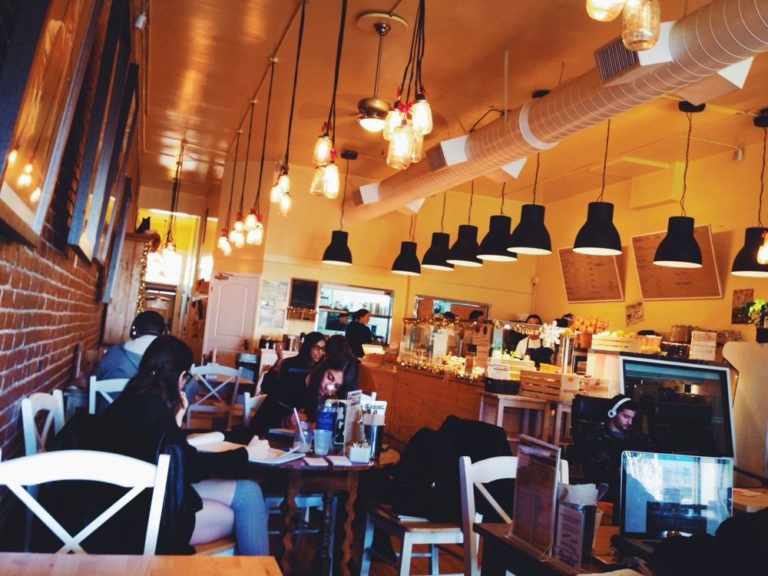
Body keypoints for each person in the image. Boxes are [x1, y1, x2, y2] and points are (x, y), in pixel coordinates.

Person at [98, 335, 269, 554]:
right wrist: (246, 454)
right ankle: (255, 566)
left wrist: (176, 421)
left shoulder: (130, 400)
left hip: (127, 501)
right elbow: (189, 467)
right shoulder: (155, 410)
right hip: (141, 519)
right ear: (181, 377)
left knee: (248, 492)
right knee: (240, 512)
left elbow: (171, 456)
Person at [250, 332, 326, 435]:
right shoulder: (289, 363)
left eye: (322, 349)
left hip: (303, 415)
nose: (319, 352)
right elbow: (267, 387)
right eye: (316, 347)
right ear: (308, 347)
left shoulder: (322, 370)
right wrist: (278, 362)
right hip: (281, 410)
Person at [581, 394, 653, 502]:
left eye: (632, 418)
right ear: (613, 413)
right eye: (626, 417)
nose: (630, 422)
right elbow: (602, 465)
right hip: (606, 488)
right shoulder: (595, 435)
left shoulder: (633, 435)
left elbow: (650, 451)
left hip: (631, 486)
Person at [92, 311, 167, 380]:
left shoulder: (115, 351)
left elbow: (94, 378)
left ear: (135, 330)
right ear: (163, 332)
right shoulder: (170, 357)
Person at [304, 352, 360, 423]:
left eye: (337, 386)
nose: (329, 387)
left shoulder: (336, 400)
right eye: (330, 377)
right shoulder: (303, 382)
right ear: (323, 369)